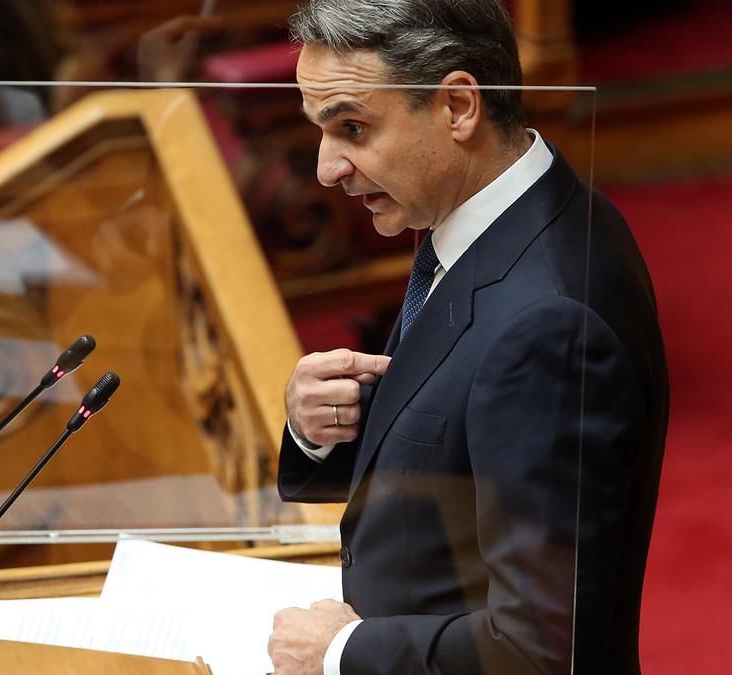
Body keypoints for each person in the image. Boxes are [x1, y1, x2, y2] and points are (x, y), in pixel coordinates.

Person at [267, 1, 669, 673]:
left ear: (458, 107)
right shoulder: (509, 217)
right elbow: (458, 419)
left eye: (354, 129)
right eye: (322, 131)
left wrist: (340, 651)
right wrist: (321, 426)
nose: (326, 169)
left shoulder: (548, 327)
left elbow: (543, 648)